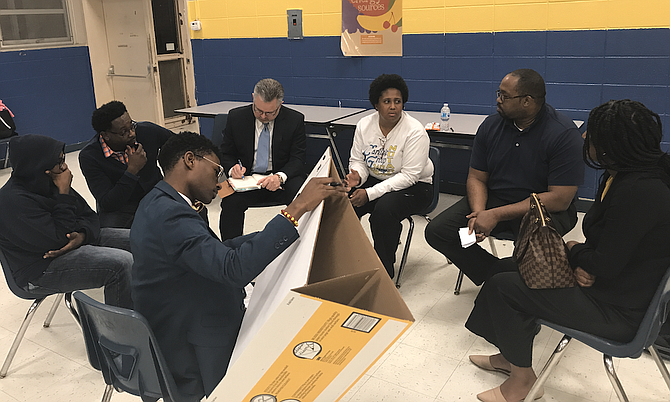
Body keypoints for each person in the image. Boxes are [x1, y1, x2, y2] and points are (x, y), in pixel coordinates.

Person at [464, 100, 670, 402]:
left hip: (619, 311)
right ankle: (510, 356)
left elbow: (605, 263)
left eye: (594, 134)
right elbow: (613, 250)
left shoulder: (641, 191)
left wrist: (574, 250)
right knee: (506, 268)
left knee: (505, 288)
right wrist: (584, 261)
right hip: (613, 284)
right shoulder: (630, 174)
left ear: (615, 144)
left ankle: (521, 382)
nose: (585, 138)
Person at [130, 132, 344, 401]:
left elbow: (214, 252)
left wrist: (281, 232)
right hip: (186, 338)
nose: (220, 181)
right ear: (190, 161)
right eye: (217, 170)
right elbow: (233, 270)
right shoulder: (170, 215)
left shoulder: (160, 201)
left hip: (180, 313)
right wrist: (296, 209)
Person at [425, 68, 584, 286]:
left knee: (532, 246)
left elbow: (560, 198)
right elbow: (477, 178)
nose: (498, 100)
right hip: (496, 198)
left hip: (542, 209)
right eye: (498, 93)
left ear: (527, 101)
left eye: (504, 96)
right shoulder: (491, 125)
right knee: (438, 232)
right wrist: (480, 213)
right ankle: (495, 275)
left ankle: (511, 280)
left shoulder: (563, 134)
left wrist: (496, 215)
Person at [0, 134, 133, 308]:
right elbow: (58, 239)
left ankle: (151, 303)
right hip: (39, 269)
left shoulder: (48, 181)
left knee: (142, 240)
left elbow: (91, 216)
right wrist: (64, 195)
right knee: (121, 264)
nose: (65, 168)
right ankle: (121, 331)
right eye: (59, 162)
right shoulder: (12, 201)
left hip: (71, 244)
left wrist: (82, 236)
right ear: (41, 167)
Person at [344, 74, 433, 278]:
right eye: (387, 101)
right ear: (376, 104)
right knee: (343, 204)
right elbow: (359, 160)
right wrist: (357, 177)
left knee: (383, 211)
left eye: (398, 101)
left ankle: (383, 272)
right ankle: (344, 260)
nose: (393, 107)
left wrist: (370, 193)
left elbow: (409, 176)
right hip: (378, 179)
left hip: (416, 186)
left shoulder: (415, 132)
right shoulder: (364, 125)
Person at [218, 78, 307, 240]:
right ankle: (230, 250)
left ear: (280, 105)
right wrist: (232, 168)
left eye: (270, 113)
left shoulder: (294, 120)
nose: (263, 116)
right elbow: (226, 153)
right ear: (253, 98)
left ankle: (304, 245)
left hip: (282, 177)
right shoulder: (236, 117)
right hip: (248, 179)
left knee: (302, 196)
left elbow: (298, 159)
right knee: (230, 203)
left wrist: (280, 177)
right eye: (258, 110)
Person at [79, 100, 173, 228]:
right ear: (105, 135)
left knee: (192, 213)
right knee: (108, 235)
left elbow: (182, 145)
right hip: (122, 207)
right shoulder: (90, 156)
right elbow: (108, 203)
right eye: (123, 132)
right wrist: (132, 171)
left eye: (132, 126)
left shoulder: (147, 131)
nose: (132, 133)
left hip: (156, 195)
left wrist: (172, 176)